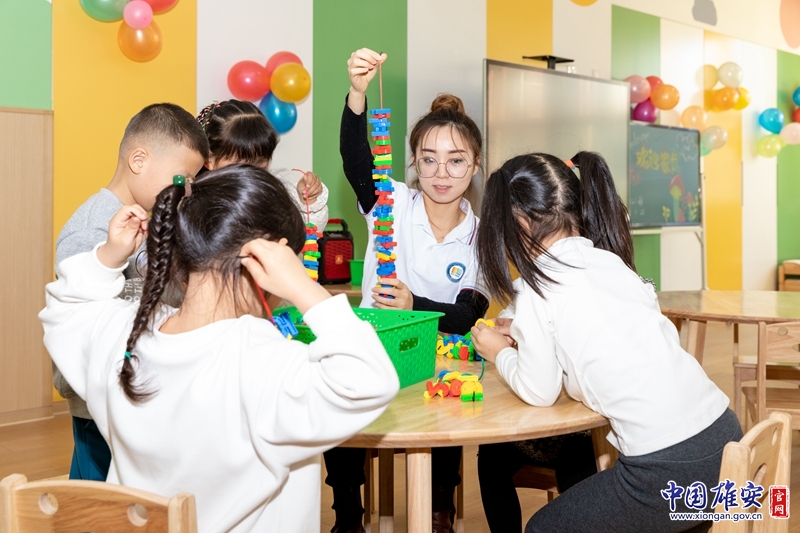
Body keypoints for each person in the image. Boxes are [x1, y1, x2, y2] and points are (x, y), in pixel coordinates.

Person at [39, 164, 400, 533]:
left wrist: (108, 257)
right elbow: (369, 380)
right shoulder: (264, 363)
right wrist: (304, 288)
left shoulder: (125, 337)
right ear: (270, 262)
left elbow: (66, 311)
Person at [471, 152, 742, 533]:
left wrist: (500, 353)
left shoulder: (537, 287)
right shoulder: (611, 263)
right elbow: (615, 336)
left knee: (542, 529)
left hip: (666, 471)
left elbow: (539, 391)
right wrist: (525, 332)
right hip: (726, 440)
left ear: (519, 223)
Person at [323, 47, 490, 533]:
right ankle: (348, 518)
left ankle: (439, 513)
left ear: (475, 165)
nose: (441, 173)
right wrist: (357, 93)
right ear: (414, 161)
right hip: (373, 347)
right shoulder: (390, 201)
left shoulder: (483, 236)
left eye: (456, 161)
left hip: (435, 356)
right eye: (429, 160)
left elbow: (466, 317)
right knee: (340, 400)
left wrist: (415, 304)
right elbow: (356, 159)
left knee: (446, 407)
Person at [52, 102, 210, 481]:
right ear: (138, 160)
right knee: (97, 497)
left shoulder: (147, 219)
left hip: (129, 390)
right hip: (98, 396)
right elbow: (79, 315)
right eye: (182, 178)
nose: (186, 189)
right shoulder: (91, 228)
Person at [197, 99, 328, 228]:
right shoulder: (198, 205)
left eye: (261, 166)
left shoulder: (271, 195)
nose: (252, 175)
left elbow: (304, 233)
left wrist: (307, 202)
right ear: (209, 160)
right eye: (242, 166)